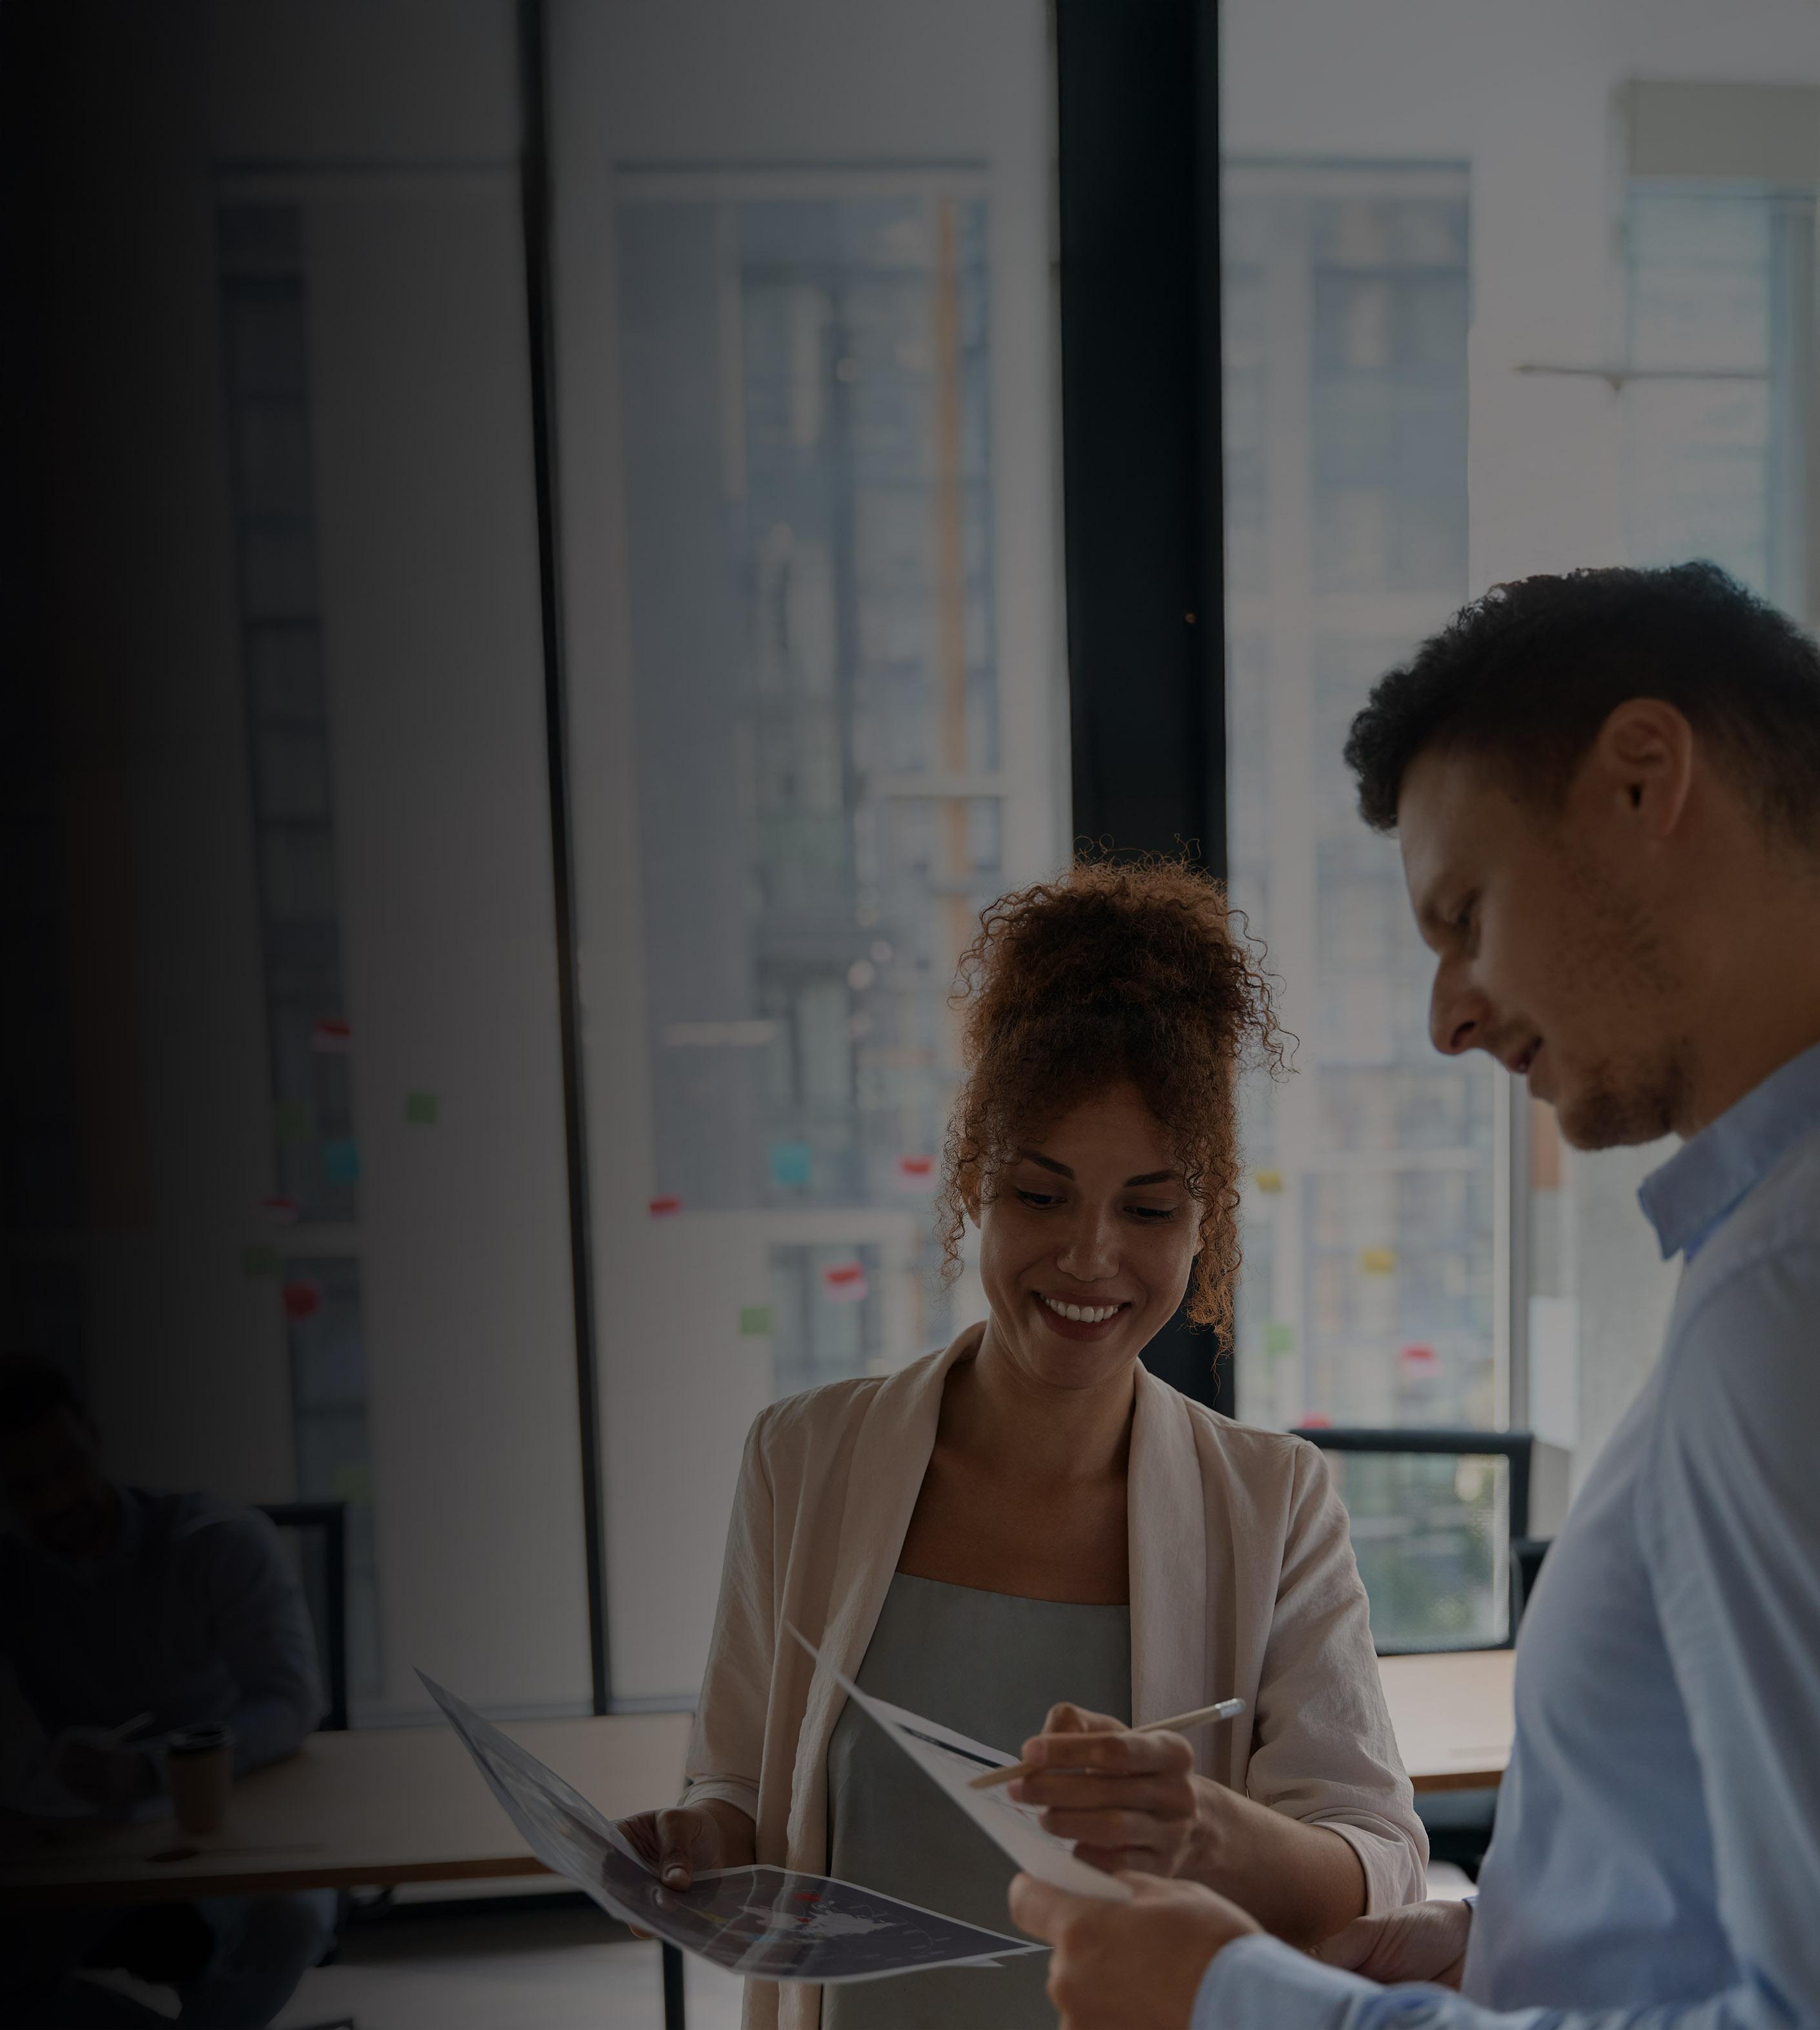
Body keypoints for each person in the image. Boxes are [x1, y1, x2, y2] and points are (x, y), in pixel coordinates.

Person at [1008, 561, 1820, 2030]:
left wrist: (1240, 2004)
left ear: (1643, 781)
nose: (1447, 1014)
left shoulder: (1783, 1302)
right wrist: (1483, 1963)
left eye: (1464, 913)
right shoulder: (1761, 1269)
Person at [618, 860, 1427, 2030]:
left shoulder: (1270, 1501)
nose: (1091, 1257)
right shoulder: (805, 1459)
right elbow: (736, 1783)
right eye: (1039, 1196)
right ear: (970, 1189)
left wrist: (1204, 1826)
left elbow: (1375, 1859)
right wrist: (695, 1838)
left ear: (1206, 1226)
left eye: (1148, 1209)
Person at [0, 1354, 335, 2028]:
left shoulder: (212, 1541)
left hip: (229, 1815)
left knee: (295, 1917)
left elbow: (293, 1700)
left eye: (66, 1468)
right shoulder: (15, 1577)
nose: (57, 1499)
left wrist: (160, 1764)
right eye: (27, 1485)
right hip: (80, 1839)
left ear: (94, 1438)